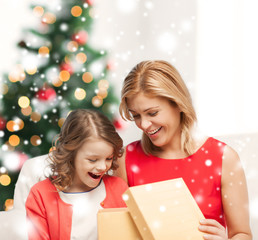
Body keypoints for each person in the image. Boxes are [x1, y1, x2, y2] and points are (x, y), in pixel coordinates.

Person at [115, 60, 252, 240]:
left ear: (178, 103)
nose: (144, 124)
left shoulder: (225, 158)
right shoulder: (125, 160)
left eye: (152, 113)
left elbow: (242, 234)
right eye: (136, 116)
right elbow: (116, 231)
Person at [25, 109, 128, 240]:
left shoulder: (119, 189)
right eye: (92, 160)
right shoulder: (40, 195)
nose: (103, 167)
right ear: (71, 154)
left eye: (108, 158)